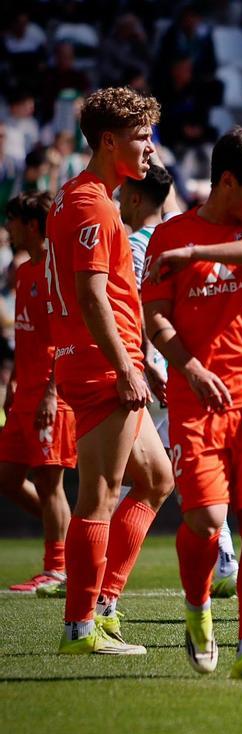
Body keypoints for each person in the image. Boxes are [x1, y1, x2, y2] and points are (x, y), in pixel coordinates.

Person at [142, 128, 242, 677]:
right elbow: (155, 318)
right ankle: (197, 606)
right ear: (227, 182)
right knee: (207, 520)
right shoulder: (167, 236)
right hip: (196, 396)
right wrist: (189, 367)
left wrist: (198, 253)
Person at [45, 87, 175, 656]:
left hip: (110, 357)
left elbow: (107, 295)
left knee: (157, 480)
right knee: (98, 494)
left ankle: (103, 604)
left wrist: (141, 356)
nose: (150, 148)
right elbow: (92, 296)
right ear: (108, 141)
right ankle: (81, 624)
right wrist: (126, 365)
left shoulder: (81, 197)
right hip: (102, 363)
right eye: (141, 137)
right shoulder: (93, 205)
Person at [120, 163, 240, 599]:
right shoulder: (180, 234)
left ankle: (224, 558)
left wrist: (141, 360)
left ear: (134, 197)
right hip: (181, 357)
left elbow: (135, 304)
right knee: (156, 468)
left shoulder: (134, 245)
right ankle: (224, 558)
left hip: (152, 362)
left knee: (153, 470)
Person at [1, 192, 75, 594]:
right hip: (23, 391)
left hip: (52, 393)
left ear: (31, 225)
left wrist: (50, 392)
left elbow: (62, 337)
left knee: (50, 484)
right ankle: (63, 534)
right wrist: (12, 380)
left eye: (12, 221)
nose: (8, 228)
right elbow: (25, 333)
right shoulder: (23, 271)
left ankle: (59, 566)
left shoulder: (55, 271)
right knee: (7, 478)